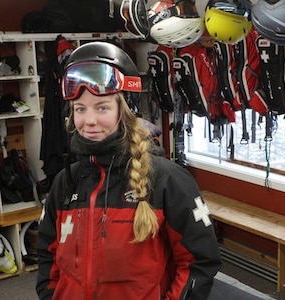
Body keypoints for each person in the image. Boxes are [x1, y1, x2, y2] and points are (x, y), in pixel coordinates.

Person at [36, 41, 221, 300]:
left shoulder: (168, 180)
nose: (89, 121)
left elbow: (198, 262)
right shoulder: (65, 183)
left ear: (125, 111)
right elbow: (47, 255)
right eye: (80, 109)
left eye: (102, 107)